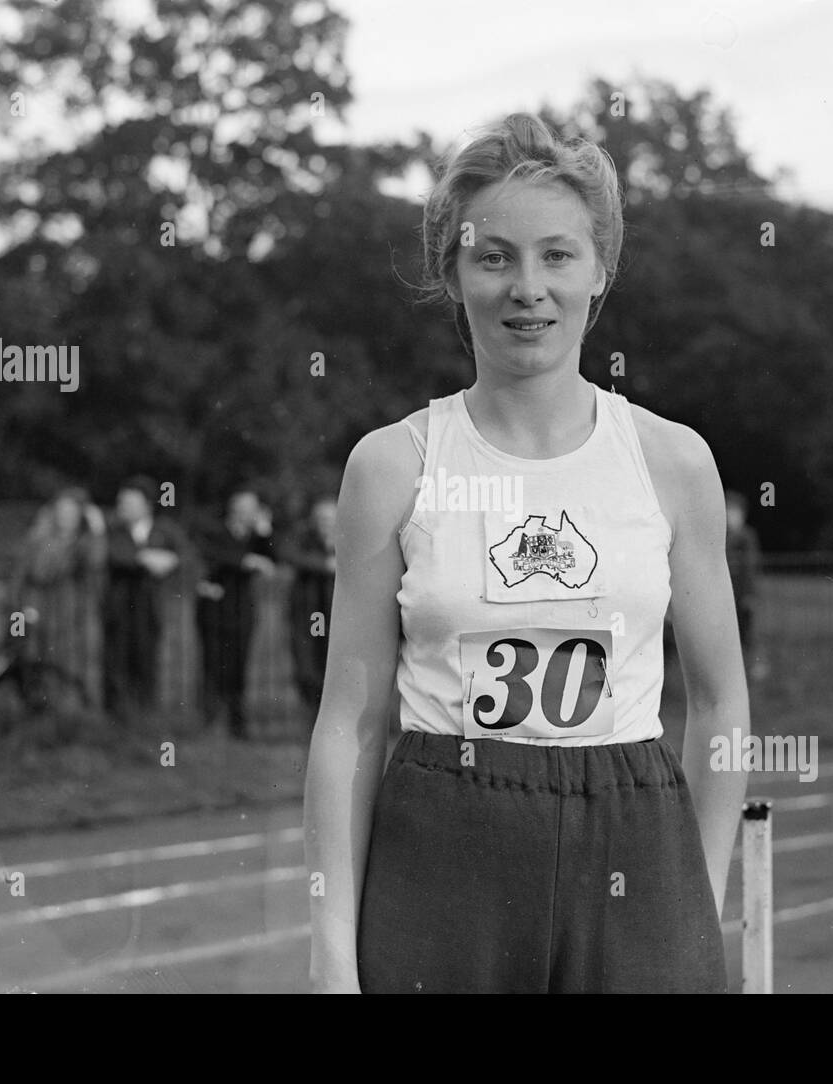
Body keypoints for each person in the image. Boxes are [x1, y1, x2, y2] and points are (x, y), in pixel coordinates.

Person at [303, 113, 750, 994]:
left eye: (557, 255)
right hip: (442, 847)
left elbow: (722, 699)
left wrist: (693, 892)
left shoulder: (672, 460)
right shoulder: (394, 464)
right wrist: (329, 954)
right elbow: (349, 725)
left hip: (633, 840)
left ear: (600, 273)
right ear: (454, 272)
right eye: (494, 256)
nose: (527, 289)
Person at [193, 485, 276, 738]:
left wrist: (264, 534)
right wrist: (246, 561)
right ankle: (209, 721)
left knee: (240, 666)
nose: (248, 515)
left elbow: (274, 558)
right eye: (244, 509)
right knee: (213, 664)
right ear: (234, 509)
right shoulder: (215, 532)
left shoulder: (255, 538)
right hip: (215, 608)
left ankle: (237, 723)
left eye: (253, 510)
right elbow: (213, 556)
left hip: (242, 609)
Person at [13, 487, 107, 695]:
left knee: (68, 669)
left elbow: (97, 562)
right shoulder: (40, 539)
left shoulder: (85, 542)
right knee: (32, 665)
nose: (66, 517)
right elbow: (32, 574)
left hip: (70, 617)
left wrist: (98, 530)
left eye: (72, 512)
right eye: (62, 510)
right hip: (36, 612)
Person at [102, 476, 184, 717]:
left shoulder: (165, 530)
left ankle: (145, 716)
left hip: (150, 607)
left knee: (147, 660)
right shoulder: (113, 531)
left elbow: (185, 556)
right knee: (117, 662)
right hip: (119, 608)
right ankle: (117, 718)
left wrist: (171, 560)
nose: (123, 507)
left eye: (129, 502)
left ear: (147, 505)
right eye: (121, 502)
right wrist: (147, 558)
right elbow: (115, 555)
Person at [285, 496, 337, 720]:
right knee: (306, 665)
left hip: (336, 613)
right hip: (307, 611)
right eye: (321, 518)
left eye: (330, 518)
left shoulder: (348, 539)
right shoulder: (303, 538)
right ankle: (312, 713)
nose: (325, 523)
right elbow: (288, 553)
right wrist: (324, 565)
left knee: (332, 663)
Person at [724, 489, 764, 679]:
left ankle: (750, 669)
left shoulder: (747, 536)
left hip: (742, 592)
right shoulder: (721, 535)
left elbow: (751, 567)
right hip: (725, 594)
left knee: (747, 632)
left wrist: (751, 594)